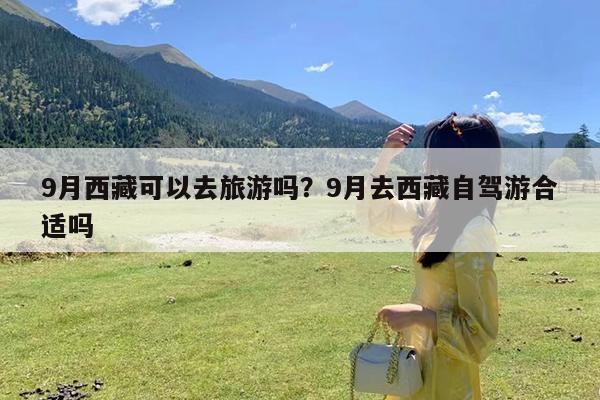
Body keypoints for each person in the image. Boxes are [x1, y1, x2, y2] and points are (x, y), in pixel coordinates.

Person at [361, 113, 501, 400]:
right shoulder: (435, 208)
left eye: (435, 157)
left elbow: (480, 334)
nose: (428, 165)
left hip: (448, 376)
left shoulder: (475, 230)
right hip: (414, 361)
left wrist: (418, 315)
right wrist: (385, 159)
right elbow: (380, 217)